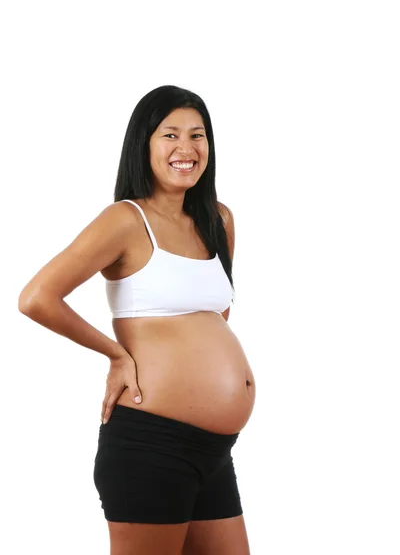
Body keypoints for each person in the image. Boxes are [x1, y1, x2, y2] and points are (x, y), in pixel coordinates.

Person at [18, 85, 256, 555]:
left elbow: (216, 316)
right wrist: (116, 353)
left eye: (198, 135)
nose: (186, 149)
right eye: (170, 135)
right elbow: (37, 297)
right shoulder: (126, 220)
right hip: (151, 446)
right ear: (143, 144)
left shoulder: (219, 220)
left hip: (214, 450)